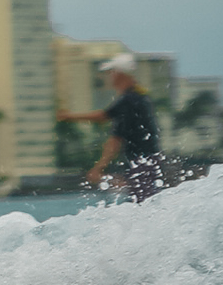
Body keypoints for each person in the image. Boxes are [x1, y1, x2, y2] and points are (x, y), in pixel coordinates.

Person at [60, 53, 169, 201]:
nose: (110, 77)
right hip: (148, 161)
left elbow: (115, 138)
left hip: (141, 163)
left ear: (119, 74)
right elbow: (104, 116)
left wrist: (99, 167)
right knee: (146, 202)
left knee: (144, 204)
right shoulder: (139, 97)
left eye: (111, 73)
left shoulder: (128, 101)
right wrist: (70, 117)